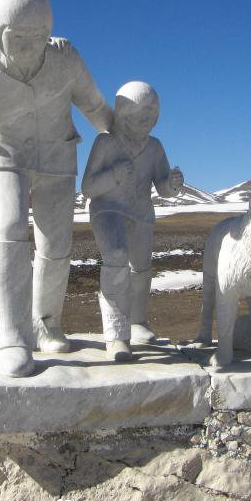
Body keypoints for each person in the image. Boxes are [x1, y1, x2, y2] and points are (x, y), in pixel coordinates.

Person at [0, 0, 112, 377]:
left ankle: (46, 322)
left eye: (36, 37)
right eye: (17, 37)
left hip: (57, 156)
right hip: (4, 155)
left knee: (56, 244)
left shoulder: (66, 58)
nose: (26, 46)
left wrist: (120, 135)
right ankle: (12, 335)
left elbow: (94, 104)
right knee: (7, 228)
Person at [81, 81, 184, 360]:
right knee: (116, 256)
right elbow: (87, 188)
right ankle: (117, 335)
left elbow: (161, 187)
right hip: (108, 209)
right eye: (139, 116)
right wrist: (113, 175)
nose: (145, 122)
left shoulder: (155, 147)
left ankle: (138, 321)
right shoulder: (106, 142)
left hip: (141, 213)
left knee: (141, 268)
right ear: (123, 114)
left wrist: (172, 184)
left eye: (150, 117)